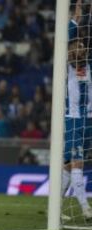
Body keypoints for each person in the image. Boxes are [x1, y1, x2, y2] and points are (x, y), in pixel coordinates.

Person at [62, 38, 92, 220]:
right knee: (77, 163)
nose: (81, 50)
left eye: (83, 47)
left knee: (67, 166)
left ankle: (55, 208)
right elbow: (69, 46)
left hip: (89, 121)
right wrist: (76, 18)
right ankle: (85, 208)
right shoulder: (66, 69)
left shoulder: (88, 66)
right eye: (77, 47)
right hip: (74, 121)